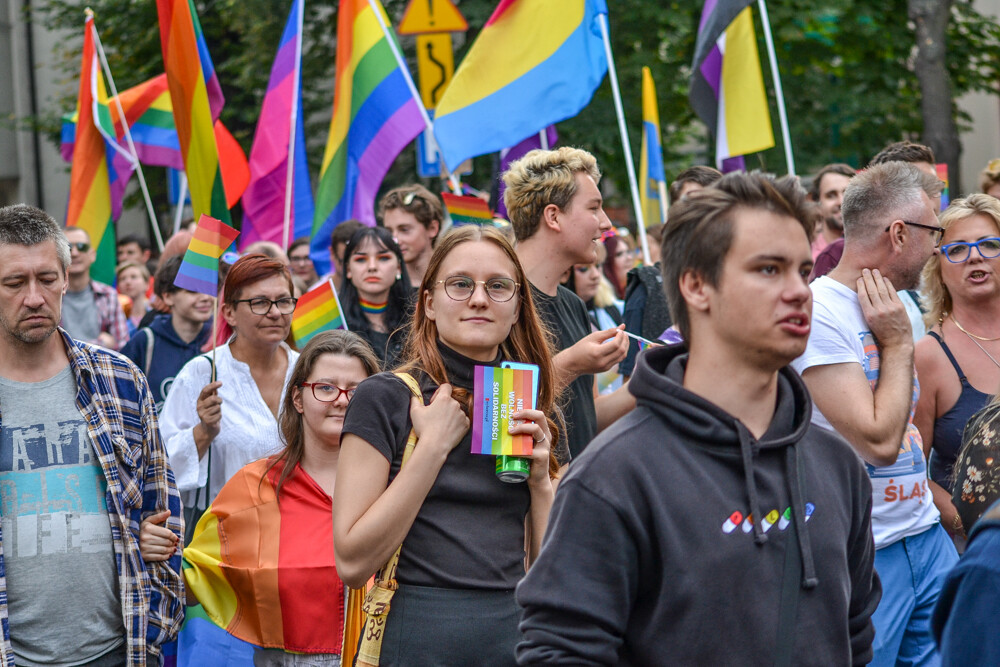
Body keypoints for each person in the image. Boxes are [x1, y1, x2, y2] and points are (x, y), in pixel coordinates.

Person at [516, 172, 881, 664]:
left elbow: (854, 639)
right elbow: (559, 652)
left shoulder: (838, 465)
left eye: (802, 270)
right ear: (695, 286)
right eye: (769, 270)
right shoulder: (613, 477)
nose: (799, 291)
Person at [332, 226, 560, 666]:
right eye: (460, 284)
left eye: (498, 286)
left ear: (516, 308)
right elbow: (352, 561)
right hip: (418, 632)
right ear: (430, 303)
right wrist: (432, 449)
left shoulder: (524, 401)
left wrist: (540, 486)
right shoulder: (387, 396)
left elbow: (548, 577)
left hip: (512, 636)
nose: (479, 299)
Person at [0, 204, 183, 665]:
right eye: (14, 283)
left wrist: (153, 625)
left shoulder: (119, 378)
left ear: (66, 277)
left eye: (46, 278)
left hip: (117, 650)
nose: (35, 297)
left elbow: (161, 509)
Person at [791, 161, 957, 666]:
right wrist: (898, 344)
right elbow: (879, 443)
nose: (938, 245)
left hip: (925, 535)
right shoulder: (820, 312)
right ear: (900, 233)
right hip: (866, 551)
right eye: (934, 230)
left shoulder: (898, 303)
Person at [140, 330, 380, 665]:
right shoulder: (254, 487)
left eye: (357, 391)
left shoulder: (394, 484)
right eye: (325, 387)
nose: (342, 399)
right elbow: (190, 585)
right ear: (297, 398)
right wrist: (159, 549)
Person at [505, 147, 631, 458]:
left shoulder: (574, 304)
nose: (605, 224)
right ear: (553, 216)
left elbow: (591, 417)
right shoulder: (499, 299)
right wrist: (572, 363)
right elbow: (499, 414)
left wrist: (653, 380)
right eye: (594, 208)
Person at [160, 254, 300, 509]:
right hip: (229, 534)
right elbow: (161, 463)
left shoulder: (306, 370)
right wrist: (204, 432)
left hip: (301, 526)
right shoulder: (202, 373)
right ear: (229, 313)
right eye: (259, 302)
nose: (275, 312)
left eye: (283, 301)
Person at [913, 194, 1000, 540]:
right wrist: (972, 526)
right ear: (938, 268)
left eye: (989, 244)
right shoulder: (928, 355)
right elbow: (912, 468)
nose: (975, 256)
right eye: (958, 250)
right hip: (975, 551)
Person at [620, 166, 724, 378]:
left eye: (714, 204)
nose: (702, 214)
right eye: (692, 203)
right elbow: (629, 383)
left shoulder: (747, 287)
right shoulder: (647, 286)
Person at [121, 255, 214, 413]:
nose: (205, 298)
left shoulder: (219, 341)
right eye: (192, 291)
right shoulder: (145, 341)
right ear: (168, 296)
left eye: (209, 288)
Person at [337, 226, 413, 370]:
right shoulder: (333, 324)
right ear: (348, 270)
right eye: (361, 259)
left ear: (398, 267)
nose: (372, 267)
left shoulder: (419, 321)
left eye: (383, 258)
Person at [61, 226, 130, 349]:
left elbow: (122, 346)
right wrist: (101, 343)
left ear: (92, 255)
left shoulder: (109, 295)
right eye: (68, 247)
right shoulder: (49, 296)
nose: (75, 253)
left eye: (82, 247)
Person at [379, 184, 442, 286]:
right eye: (389, 231)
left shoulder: (453, 280)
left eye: (404, 230)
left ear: (432, 228)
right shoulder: (383, 287)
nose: (395, 239)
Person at [808, 163, 854, 259]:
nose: (841, 202)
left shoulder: (878, 249)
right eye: (831, 195)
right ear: (817, 204)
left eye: (848, 193)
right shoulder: (808, 257)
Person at [117, 260, 151, 335]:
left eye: (133, 277)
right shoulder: (114, 316)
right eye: (123, 279)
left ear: (147, 284)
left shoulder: (157, 314)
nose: (128, 282)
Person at [601, 231, 634, 300]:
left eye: (628, 252)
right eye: (619, 254)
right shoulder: (605, 298)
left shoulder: (635, 289)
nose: (629, 258)